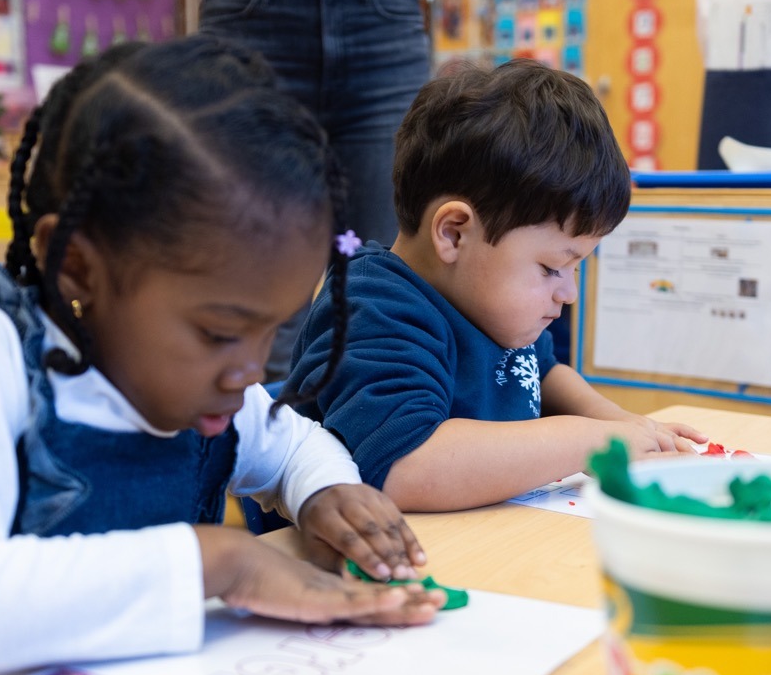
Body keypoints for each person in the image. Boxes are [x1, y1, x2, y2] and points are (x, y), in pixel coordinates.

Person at [0, 36, 444, 675]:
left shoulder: (203, 389)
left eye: (270, 332)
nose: (250, 370)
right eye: (219, 332)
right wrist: (219, 563)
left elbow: (293, 445)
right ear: (75, 266)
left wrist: (325, 493)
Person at [284, 60, 708, 512]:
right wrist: (591, 440)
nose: (568, 293)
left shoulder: (486, 302)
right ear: (454, 234)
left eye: (575, 268)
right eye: (552, 267)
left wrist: (622, 424)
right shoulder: (373, 308)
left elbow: (542, 372)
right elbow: (406, 468)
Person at [199, 0, 432, 382]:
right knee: (255, 306)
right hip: (251, 20)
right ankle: (262, 419)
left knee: (380, 296)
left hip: (381, 28)